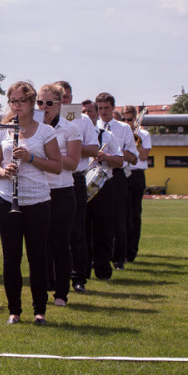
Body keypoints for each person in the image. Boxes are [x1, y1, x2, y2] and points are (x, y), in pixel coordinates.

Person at [0, 81, 62, 325]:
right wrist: (4, 171)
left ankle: (39, 310)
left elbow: (56, 166)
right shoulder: (1, 131)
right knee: (11, 258)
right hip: (8, 198)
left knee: (37, 257)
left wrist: (31, 158)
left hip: (38, 200)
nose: (17, 106)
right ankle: (14, 311)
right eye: (13, 101)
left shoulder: (45, 131)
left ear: (32, 103)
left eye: (22, 101)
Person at [38, 84, 81, 307]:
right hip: (37, 190)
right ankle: (44, 287)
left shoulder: (70, 128)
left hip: (62, 191)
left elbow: (73, 163)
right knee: (39, 245)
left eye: (49, 103)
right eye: (40, 102)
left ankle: (61, 294)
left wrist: (50, 156)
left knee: (60, 244)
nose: (43, 107)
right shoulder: (31, 127)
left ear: (59, 104)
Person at [55, 81, 99, 294]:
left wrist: (71, 144)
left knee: (76, 231)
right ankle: (52, 276)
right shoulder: (43, 120)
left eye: (67, 96)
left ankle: (78, 277)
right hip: (51, 179)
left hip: (75, 177)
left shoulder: (82, 121)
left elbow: (93, 149)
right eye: (60, 96)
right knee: (50, 231)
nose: (64, 100)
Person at [95, 93, 138, 270]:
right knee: (96, 219)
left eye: (106, 108)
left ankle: (119, 258)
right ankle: (96, 257)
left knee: (119, 218)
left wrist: (114, 153)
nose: (103, 112)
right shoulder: (92, 127)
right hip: (96, 175)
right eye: (100, 108)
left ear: (113, 108)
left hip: (117, 174)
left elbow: (133, 158)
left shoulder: (123, 129)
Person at [85, 99, 123, 281]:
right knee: (80, 232)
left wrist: (106, 156)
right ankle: (81, 272)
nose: (87, 115)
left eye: (90, 112)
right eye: (83, 112)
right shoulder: (74, 136)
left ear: (96, 114)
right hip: (80, 186)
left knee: (103, 230)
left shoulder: (107, 136)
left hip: (103, 185)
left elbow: (120, 161)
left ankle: (102, 271)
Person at [122, 105, 151, 262]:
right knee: (121, 214)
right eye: (124, 119)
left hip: (137, 174)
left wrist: (134, 141)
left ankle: (132, 251)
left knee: (134, 214)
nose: (126, 122)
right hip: (123, 174)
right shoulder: (119, 132)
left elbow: (144, 156)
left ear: (135, 120)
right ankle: (120, 249)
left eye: (129, 119)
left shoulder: (144, 134)